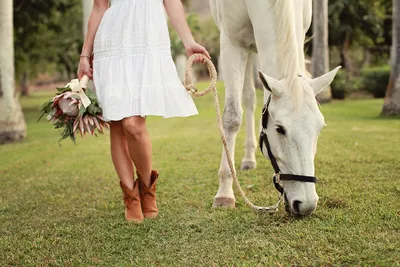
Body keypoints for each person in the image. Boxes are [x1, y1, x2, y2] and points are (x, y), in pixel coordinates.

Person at [77, 0, 210, 223]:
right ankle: (131, 197)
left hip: (147, 40)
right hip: (112, 44)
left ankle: (147, 188)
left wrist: (188, 41)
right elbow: (99, 7)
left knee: (133, 125)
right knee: (118, 125)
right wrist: (84, 55)